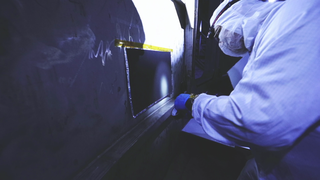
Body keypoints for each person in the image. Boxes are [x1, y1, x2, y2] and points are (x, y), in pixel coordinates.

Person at [175, 0, 320, 179]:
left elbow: (256, 120)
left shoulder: (289, 19)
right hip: (293, 162)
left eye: (218, 32)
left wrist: (194, 102)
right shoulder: (273, 28)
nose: (220, 42)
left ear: (236, 11)